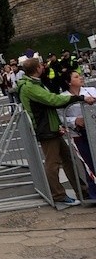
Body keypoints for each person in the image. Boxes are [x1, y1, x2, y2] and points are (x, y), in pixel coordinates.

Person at [17, 57, 95, 206]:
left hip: (51, 126)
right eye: (41, 65)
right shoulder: (30, 87)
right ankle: (58, 195)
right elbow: (52, 100)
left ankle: (82, 191)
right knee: (53, 163)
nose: (43, 67)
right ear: (37, 68)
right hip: (45, 128)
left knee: (68, 160)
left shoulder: (34, 84)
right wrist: (78, 98)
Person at [59, 70, 96, 200]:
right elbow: (60, 117)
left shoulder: (91, 90)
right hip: (78, 134)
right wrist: (75, 120)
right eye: (76, 77)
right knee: (88, 163)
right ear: (69, 82)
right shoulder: (63, 97)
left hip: (94, 130)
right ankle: (94, 193)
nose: (80, 78)